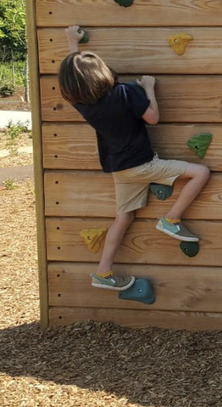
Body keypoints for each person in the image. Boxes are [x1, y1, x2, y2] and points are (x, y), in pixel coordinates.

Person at [58, 25, 210, 291]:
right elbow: (153, 117)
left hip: (120, 169)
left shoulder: (82, 104)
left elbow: (76, 75)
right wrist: (149, 88)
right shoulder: (126, 92)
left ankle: (103, 272)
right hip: (143, 165)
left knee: (124, 218)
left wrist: (73, 43)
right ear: (102, 72)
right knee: (201, 173)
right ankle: (171, 220)